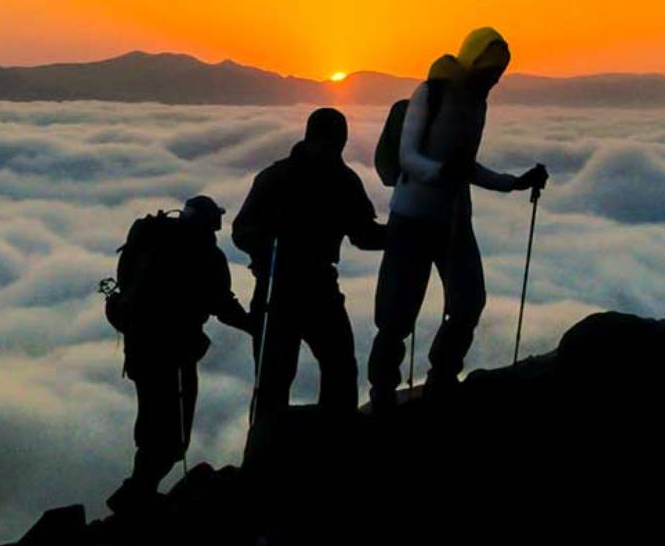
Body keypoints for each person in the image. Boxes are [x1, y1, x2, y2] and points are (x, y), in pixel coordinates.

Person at [367, 28, 549, 409]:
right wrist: (442, 172)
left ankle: (441, 376)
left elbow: (466, 167)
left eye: (498, 74)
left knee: (468, 302)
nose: (494, 80)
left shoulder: (476, 105)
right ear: (474, 64)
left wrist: (514, 183)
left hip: (451, 218)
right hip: (413, 217)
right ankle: (384, 391)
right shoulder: (429, 94)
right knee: (397, 314)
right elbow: (407, 157)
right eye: (490, 72)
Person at [232, 108, 387, 417]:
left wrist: (401, 234)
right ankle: (328, 433)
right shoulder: (338, 180)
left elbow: (364, 235)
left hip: (292, 288)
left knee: (291, 377)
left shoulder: (281, 177)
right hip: (291, 289)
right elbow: (365, 235)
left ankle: (287, 440)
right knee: (308, 373)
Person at [105, 195, 255, 514]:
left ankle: (138, 492)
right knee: (173, 434)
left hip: (140, 348)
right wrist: (254, 325)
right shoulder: (204, 254)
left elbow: (128, 286)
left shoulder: (150, 240)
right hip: (173, 352)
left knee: (153, 423)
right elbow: (221, 304)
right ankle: (136, 495)